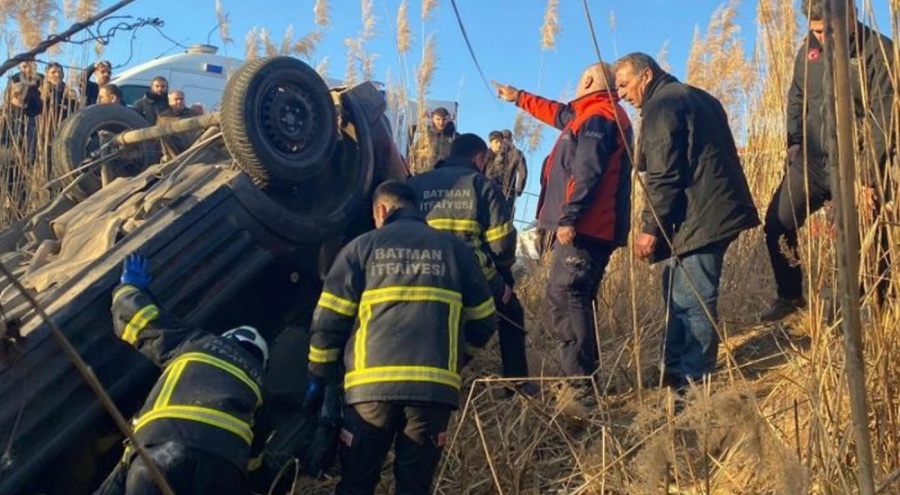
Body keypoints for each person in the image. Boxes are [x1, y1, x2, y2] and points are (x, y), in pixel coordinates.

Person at [304, 180, 496, 495]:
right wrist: (457, 360)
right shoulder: (455, 250)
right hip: (432, 393)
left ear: (381, 209)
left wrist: (319, 376)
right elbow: (485, 321)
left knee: (356, 483)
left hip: (369, 392)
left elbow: (328, 323)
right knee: (414, 487)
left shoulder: (360, 248)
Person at [613, 53, 759, 388]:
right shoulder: (698, 97)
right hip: (707, 213)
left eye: (623, 84)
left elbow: (665, 173)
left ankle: (695, 382)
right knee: (676, 295)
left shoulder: (661, 106)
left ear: (646, 75)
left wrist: (650, 228)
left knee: (694, 301)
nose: (620, 93)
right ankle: (673, 373)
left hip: (700, 218)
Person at [493, 63, 633, 383]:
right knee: (575, 298)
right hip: (592, 227)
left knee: (567, 295)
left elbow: (588, 171)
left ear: (586, 80)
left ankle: (579, 383)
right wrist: (519, 98)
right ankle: (582, 376)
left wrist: (569, 216)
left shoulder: (600, 115)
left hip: (586, 229)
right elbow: (557, 114)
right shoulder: (590, 114)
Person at [760, 0, 895, 321]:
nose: (820, 37)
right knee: (778, 223)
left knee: (866, 232)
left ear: (849, 16)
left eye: (826, 30)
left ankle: (874, 304)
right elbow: (796, 96)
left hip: (858, 164)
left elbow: (882, 118)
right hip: (812, 161)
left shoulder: (879, 50)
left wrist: (867, 177)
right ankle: (790, 295)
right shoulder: (809, 51)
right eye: (815, 31)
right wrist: (794, 143)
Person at [95, 254, 268, 495]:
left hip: (158, 454)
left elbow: (136, 318)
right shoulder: (258, 383)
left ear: (227, 337)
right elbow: (254, 462)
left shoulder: (196, 342)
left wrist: (128, 287)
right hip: (221, 469)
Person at [406, 134, 533, 395]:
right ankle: (516, 385)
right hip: (471, 275)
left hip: (418, 272)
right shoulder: (482, 185)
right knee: (512, 315)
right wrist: (504, 281)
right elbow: (501, 244)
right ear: (478, 157)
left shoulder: (415, 184)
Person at [484, 130, 528, 215]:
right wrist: (518, 191)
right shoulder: (517, 153)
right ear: (511, 140)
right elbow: (523, 173)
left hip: (489, 191)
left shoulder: (491, 152)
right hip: (509, 193)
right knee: (505, 219)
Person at [409, 106, 459, 175]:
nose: (441, 122)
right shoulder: (425, 136)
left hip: (448, 176)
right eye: (438, 119)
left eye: (444, 119)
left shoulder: (455, 137)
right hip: (427, 175)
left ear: (449, 119)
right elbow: (414, 155)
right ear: (433, 119)